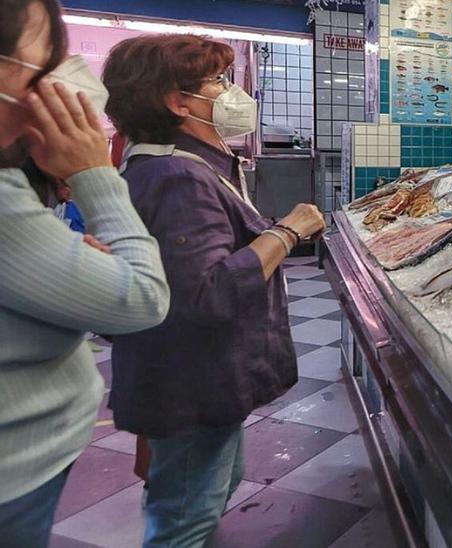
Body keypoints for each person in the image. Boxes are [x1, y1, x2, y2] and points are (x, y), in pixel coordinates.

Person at [101, 34, 325, 547]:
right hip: (190, 386)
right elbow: (206, 293)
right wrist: (286, 232)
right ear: (177, 101)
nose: (231, 92)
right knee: (184, 518)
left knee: (210, 484)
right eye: (217, 82)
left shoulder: (186, 163)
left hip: (200, 381)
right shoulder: (175, 176)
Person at [0, 0, 171, 545]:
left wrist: (65, 259)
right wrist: (95, 173)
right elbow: (142, 300)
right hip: (17, 473)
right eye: (44, 61)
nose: (58, 80)